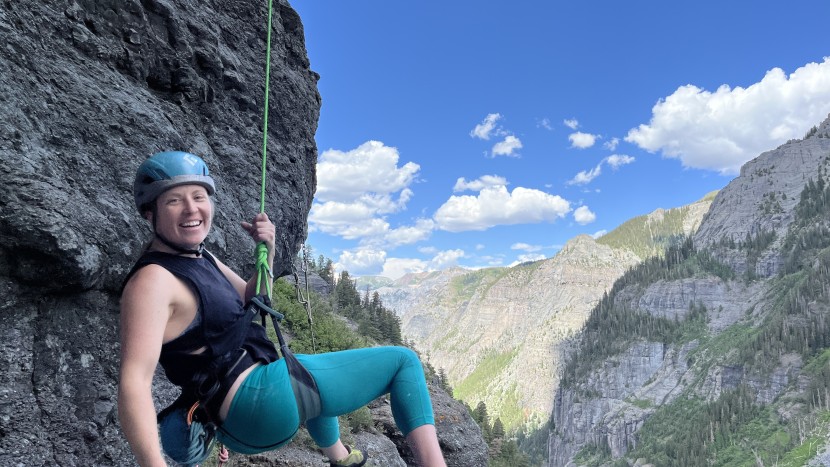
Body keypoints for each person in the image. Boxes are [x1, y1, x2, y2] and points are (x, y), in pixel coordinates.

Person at [118, 151, 447, 467]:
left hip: (239, 416)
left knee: (309, 372)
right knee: (403, 361)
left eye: (199, 196)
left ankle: (340, 457)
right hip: (256, 400)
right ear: (150, 213)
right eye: (174, 201)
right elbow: (134, 383)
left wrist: (269, 251)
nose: (192, 209)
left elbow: (254, 297)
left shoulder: (198, 256)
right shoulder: (153, 281)